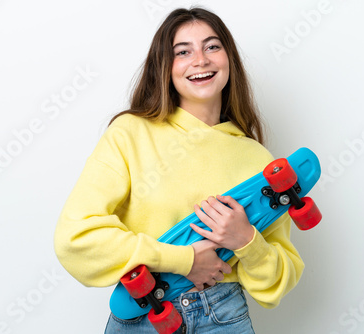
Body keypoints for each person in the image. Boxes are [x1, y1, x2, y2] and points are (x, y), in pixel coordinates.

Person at [54, 7, 305, 333]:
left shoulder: (256, 158)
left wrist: (247, 240)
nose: (200, 60)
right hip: (144, 312)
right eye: (183, 52)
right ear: (165, 67)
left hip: (223, 314)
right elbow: (75, 239)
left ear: (229, 59)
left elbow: (279, 282)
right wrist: (183, 260)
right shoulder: (131, 132)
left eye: (212, 46)